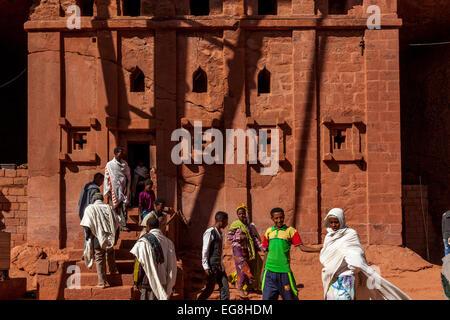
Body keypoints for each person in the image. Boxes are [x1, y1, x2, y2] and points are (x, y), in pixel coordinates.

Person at [320, 208, 411, 300]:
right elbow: (327, 253)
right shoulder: (329, 237)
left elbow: (356, 252)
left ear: (342, 220)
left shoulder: (350, 234)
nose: (334, 225)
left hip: (347, 276)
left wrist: (355, 264)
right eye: (331, 222)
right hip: (332, 277)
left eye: (336, 222)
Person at [261, 207, 321, 300]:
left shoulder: (291, 231)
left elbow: (302, 247)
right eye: (276, 218)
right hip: (269, 272)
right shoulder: (269, 232)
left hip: (284, 272)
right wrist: (263, 270)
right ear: (272, 219)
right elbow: (266, 251)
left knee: (291, 297)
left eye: (281, 217)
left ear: (284, 217)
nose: (279, 220)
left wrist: (318, 249)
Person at [130, 214, 177, 300]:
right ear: (158, 226)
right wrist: (170, 284)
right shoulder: (169, 242)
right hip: (164, 282)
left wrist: (136, 282)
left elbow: (138, 264)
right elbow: (173, 266)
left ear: (148, 227)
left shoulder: (143, 242)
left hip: (148, 282)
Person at [80, 193, 120, 288]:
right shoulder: (109, 208)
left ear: (93, 200)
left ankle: (102, 282)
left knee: (99, 257)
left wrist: (88, 236)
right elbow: (117, 222)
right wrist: (115, 236)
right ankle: (113, 270)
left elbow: (87, 224)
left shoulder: (90, 208)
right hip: (110, 236)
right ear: (102, 199)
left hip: (97, 237)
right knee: (110, 252)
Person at [227, 204, 265, 297]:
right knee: (243, 268)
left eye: (243, 213)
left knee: (244, 268)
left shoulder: (248, 226)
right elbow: (229, 237)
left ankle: (245, 284)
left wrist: (262, 248)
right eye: (240, 214)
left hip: (246, 250)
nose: (242, 215)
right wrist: (239, 237)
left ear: (246, 214)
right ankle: (240, 288)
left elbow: (253, 239)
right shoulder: (235, 225)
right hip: (237, 249)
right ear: (237, 215)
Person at [198, 211, 230, 300]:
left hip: (219, 267)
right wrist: (206, 267)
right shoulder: (210, 232)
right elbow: (205, 250)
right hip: (212, 267)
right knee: (209, 289)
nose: (227, 224)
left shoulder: (220, 233)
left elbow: (218, 252)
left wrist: (222, 265)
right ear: (221, 220)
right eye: (226, 221)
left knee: (225, 288)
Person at [104, 146, 131, 231]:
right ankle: (114, 226)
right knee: (114, 209)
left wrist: (127, 187)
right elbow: (107, 177)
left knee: (123, 207)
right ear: (115, 153)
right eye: (120, 152)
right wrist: (108, 190)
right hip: (113, 190)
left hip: (122, 189)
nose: (122, 154)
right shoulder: (110, 164)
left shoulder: (125, 164)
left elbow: (128, 175)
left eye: (122, 152)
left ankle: (123, 225)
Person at [78, 173, 104, 252]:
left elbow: (80, 202)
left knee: (87, 234)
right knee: (90, 236)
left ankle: (87, 253)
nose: (102, 183)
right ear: (97, 179)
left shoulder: (86, 187)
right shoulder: (95, 189)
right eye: (102, 181)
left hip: (83, 213)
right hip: (90, 215)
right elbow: (94, 204)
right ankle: (86, 253)